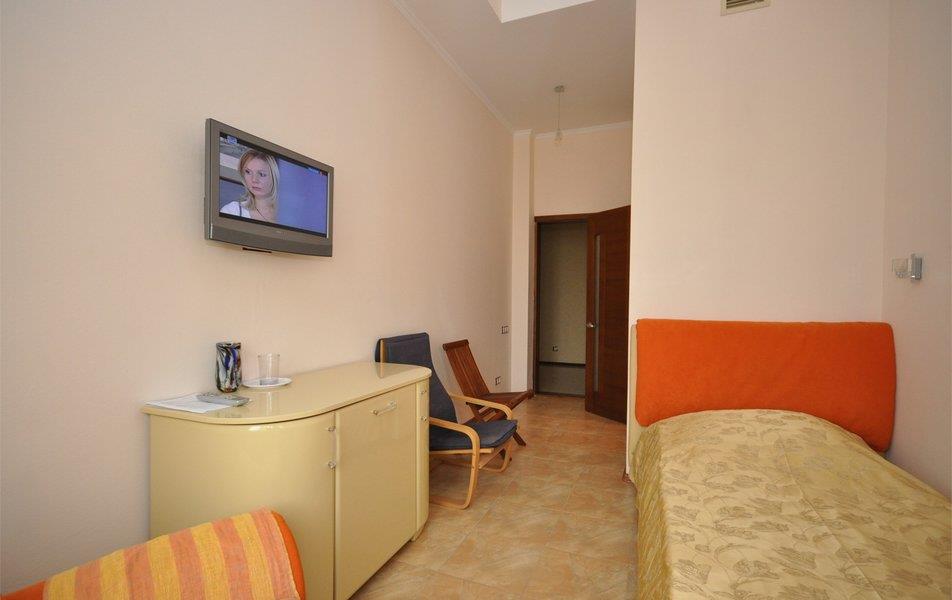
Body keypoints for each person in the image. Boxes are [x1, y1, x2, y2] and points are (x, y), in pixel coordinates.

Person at [220, 149, 280, 222]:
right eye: (248, 172)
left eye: (262, 174)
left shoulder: (290, 215)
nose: (254, 180)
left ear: (275, 177)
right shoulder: (232, 211)